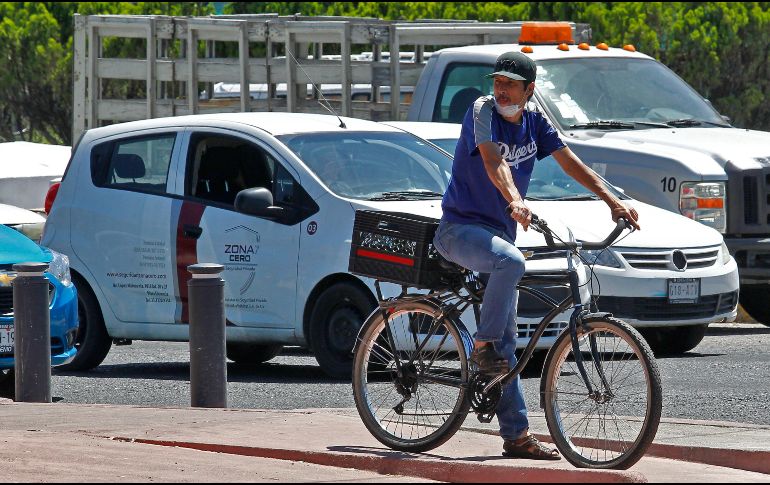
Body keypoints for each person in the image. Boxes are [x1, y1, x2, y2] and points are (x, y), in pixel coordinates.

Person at [432, 51, 641, 460]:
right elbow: (495, 161)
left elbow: (570, 162)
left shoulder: (535, 120)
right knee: (511, 266)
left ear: (529, 90)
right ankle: (482, 345)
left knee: (509, 340)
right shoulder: (482, 111)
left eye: (510, 84)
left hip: (500, 235)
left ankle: (516, 436)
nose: (501, 90)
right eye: (498, 82)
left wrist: (612, 199)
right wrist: (515, 199)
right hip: (459, 230)